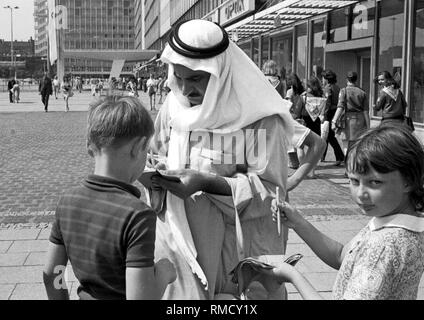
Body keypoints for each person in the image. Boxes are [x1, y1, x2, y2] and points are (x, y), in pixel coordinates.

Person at [144, 19, 324, 300]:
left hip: (235, 256)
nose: (185, 89)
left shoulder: (258, 119)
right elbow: (156, 153)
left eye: (196, 79)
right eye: (178, 76)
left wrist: (207, 182)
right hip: (179, 251)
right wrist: (157, 173)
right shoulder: (172, 105)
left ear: (220, 73)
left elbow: (271, 192)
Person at [262, 126, 424, 300]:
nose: (361, 193)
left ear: (408, 180)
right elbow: (342, 256)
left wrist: (292, 275)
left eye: (375, 182)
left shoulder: (382, 247)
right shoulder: (400, 224)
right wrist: (298, 223)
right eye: (354, 180)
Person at [43, 95, 177, 300]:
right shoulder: (137, 216)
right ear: (137, 147)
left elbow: (53, 271)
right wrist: (163, 273)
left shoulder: (67, 201)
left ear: (90, 145)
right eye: (147, 150)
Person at [332, 71, 370, 156]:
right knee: (358, 145)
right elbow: (366, 112)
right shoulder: (362, 92)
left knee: (346, 145)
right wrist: (368, 126)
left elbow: (340, 107)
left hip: (347, 120)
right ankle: (356, 164)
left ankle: (348, 164)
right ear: (356, 80)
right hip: (360, 120)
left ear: (347, 80)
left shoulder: (343, 91)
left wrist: (334, 120)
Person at [295, 76, 326, 178]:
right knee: (314, 149)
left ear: (309, 87)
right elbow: (323, 112)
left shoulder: (303, 97)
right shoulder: (321, 97)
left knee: (300, 147)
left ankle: (303, 170)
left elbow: (297, 113)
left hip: (304, 124)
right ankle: (312, 172)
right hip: (316, 123)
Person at [321, 70, 344, 165]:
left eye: (323, 78)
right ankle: (322, 155)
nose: (322, 79)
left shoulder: (328, 88)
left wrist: (323, 114)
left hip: (329, 112)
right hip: (335, 111)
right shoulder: (337, 87)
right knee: (327, 135)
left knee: (329, 135)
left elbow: (327, 102)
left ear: (326, 79)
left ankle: (340, 156)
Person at [285, 73, 306, 170]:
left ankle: (294, 163)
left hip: (292, 119)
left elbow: (288, 106)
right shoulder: (304, 92)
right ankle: (302, 164)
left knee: (290, 143)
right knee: (300, 145)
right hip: (301, 119)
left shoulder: (290, 92)